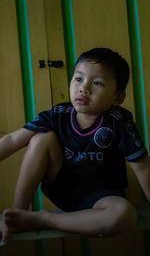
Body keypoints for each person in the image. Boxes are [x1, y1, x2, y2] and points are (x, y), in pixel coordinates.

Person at [0, 47, 150, 246]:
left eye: (97, 83)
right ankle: (17, 216)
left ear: (117, 97)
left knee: (125, 215)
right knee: (41, 137)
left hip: (101, 197)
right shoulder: (58, 114)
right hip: (62, 186)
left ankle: (43, 219)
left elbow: (143, 167)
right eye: (78, 79)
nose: (84, 88)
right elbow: (11, 141)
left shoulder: (118, 121)